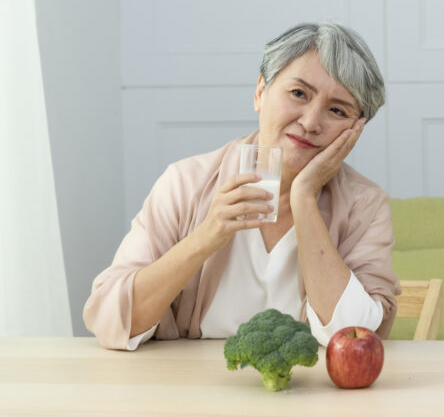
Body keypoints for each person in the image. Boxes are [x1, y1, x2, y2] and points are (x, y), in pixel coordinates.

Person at [84, 22, 400, 350]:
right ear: (260, 92)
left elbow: (356, 341)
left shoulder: (365, 205)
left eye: (337, 110)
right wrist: (205, 238)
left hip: (312, 395)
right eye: (298, 94)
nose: (310, 122)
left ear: (356, 129)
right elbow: (111, 319)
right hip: (189, 389)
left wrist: (304, 199)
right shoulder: (186, 183)